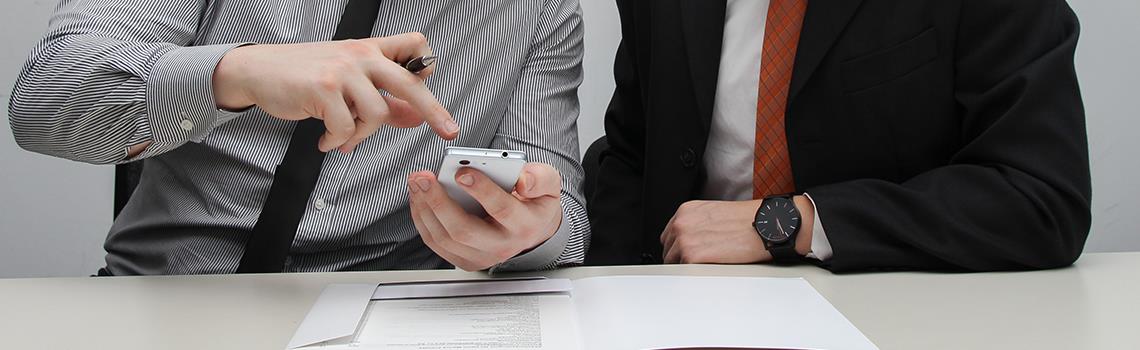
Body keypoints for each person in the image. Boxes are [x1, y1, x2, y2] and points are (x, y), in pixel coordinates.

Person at [9, 0, 589, 275]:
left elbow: (558, 208)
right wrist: (233, 74)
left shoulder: (542, 11)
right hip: (173, 296)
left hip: (394, 316)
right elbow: (44, 102)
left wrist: (531, 235)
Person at [586, 0, 1091, 272]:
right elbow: (633, 153)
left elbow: (1042, 196)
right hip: (684, 307)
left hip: (891, 310)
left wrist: (790, 223)